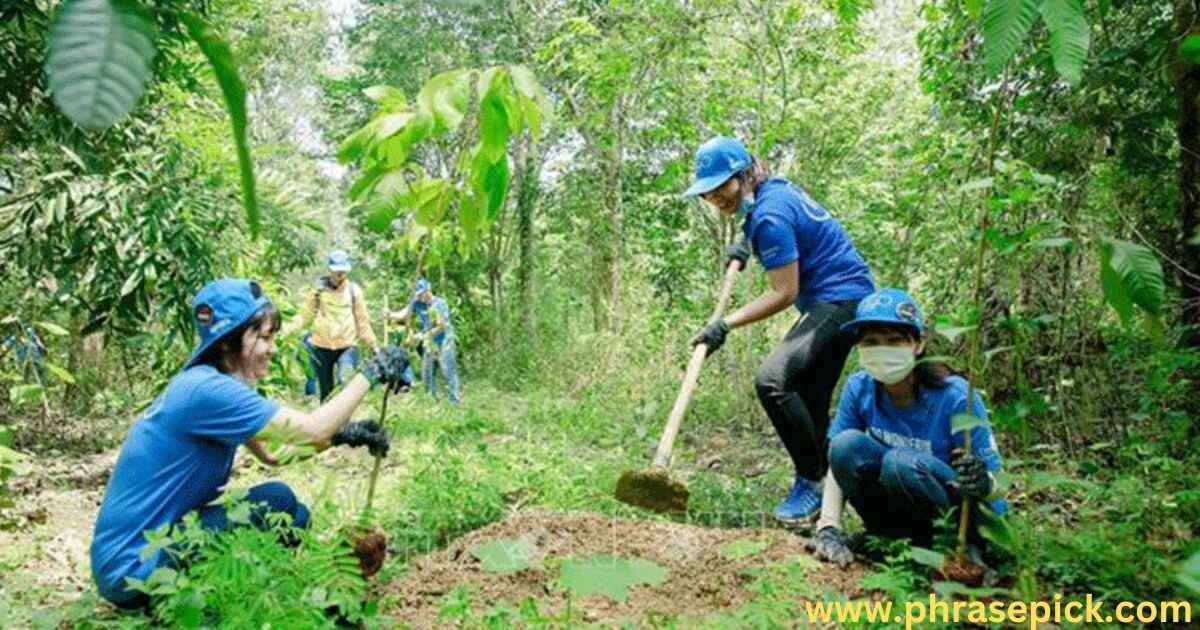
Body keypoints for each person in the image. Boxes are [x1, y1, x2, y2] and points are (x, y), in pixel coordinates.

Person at [90, 279, 410, 609]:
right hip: (133, 567)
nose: (272, 348)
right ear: (229, 342)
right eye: (265, 337)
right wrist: (373, 373)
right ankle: (231, 605)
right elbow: (312, 429)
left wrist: (342, 435)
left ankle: (261, 598)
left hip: (145, 555)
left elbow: (273, 455)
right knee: (278, 499)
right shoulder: (207, 391)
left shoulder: (213, 387)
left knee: (296, 517)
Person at [684, 136, 876, 523]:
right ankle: (827, 499)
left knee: (773, 381)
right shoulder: (772, 191)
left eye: (723, 185)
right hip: (849, 296)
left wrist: (725, 324)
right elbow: (768, 217)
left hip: (840, 301)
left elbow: (784, 292)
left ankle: (812, 481)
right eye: (708, 191)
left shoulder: (769, 218)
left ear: (743, 175)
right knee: (810, 393)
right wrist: (744, 242)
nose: (716, 196)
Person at [806, 288, 1007, 567]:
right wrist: (828, 527)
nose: (883, 350)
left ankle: (956, 548)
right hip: (899, 501)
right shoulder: (860, 387)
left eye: (894, 340)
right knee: (845, 445)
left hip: (955, 515)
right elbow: (838, 459)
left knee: (899, 462)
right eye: (872, 341)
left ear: (919, 343)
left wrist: (984, 483)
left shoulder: (956, 396)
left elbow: (999, 484)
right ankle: (888, 538)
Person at [281, 250, 380, 401]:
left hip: (347, 346)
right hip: (321, 346)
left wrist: (373, 345)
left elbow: (362, 322)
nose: (340, 273)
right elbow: (305, 315)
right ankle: (328, 423)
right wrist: (286, 330)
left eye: (343, 270)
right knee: (326, 391)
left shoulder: (354, 291)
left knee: (344, 381)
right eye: (336, 270)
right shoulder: (318, 290)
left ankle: (345, 420)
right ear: (330, 269)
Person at [392, 278, 460, 405]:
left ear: (428, 290)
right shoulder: (417, 302)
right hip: (429, 342)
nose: (420, 297)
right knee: (427, 372)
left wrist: (421, 337)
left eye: (422, 293)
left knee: (448, 370)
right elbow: (404, 314)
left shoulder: (439, 304)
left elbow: (441, 326)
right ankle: (431, 401)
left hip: (444, 340)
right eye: (418, 294)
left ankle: (454, 402)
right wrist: (390, 314)